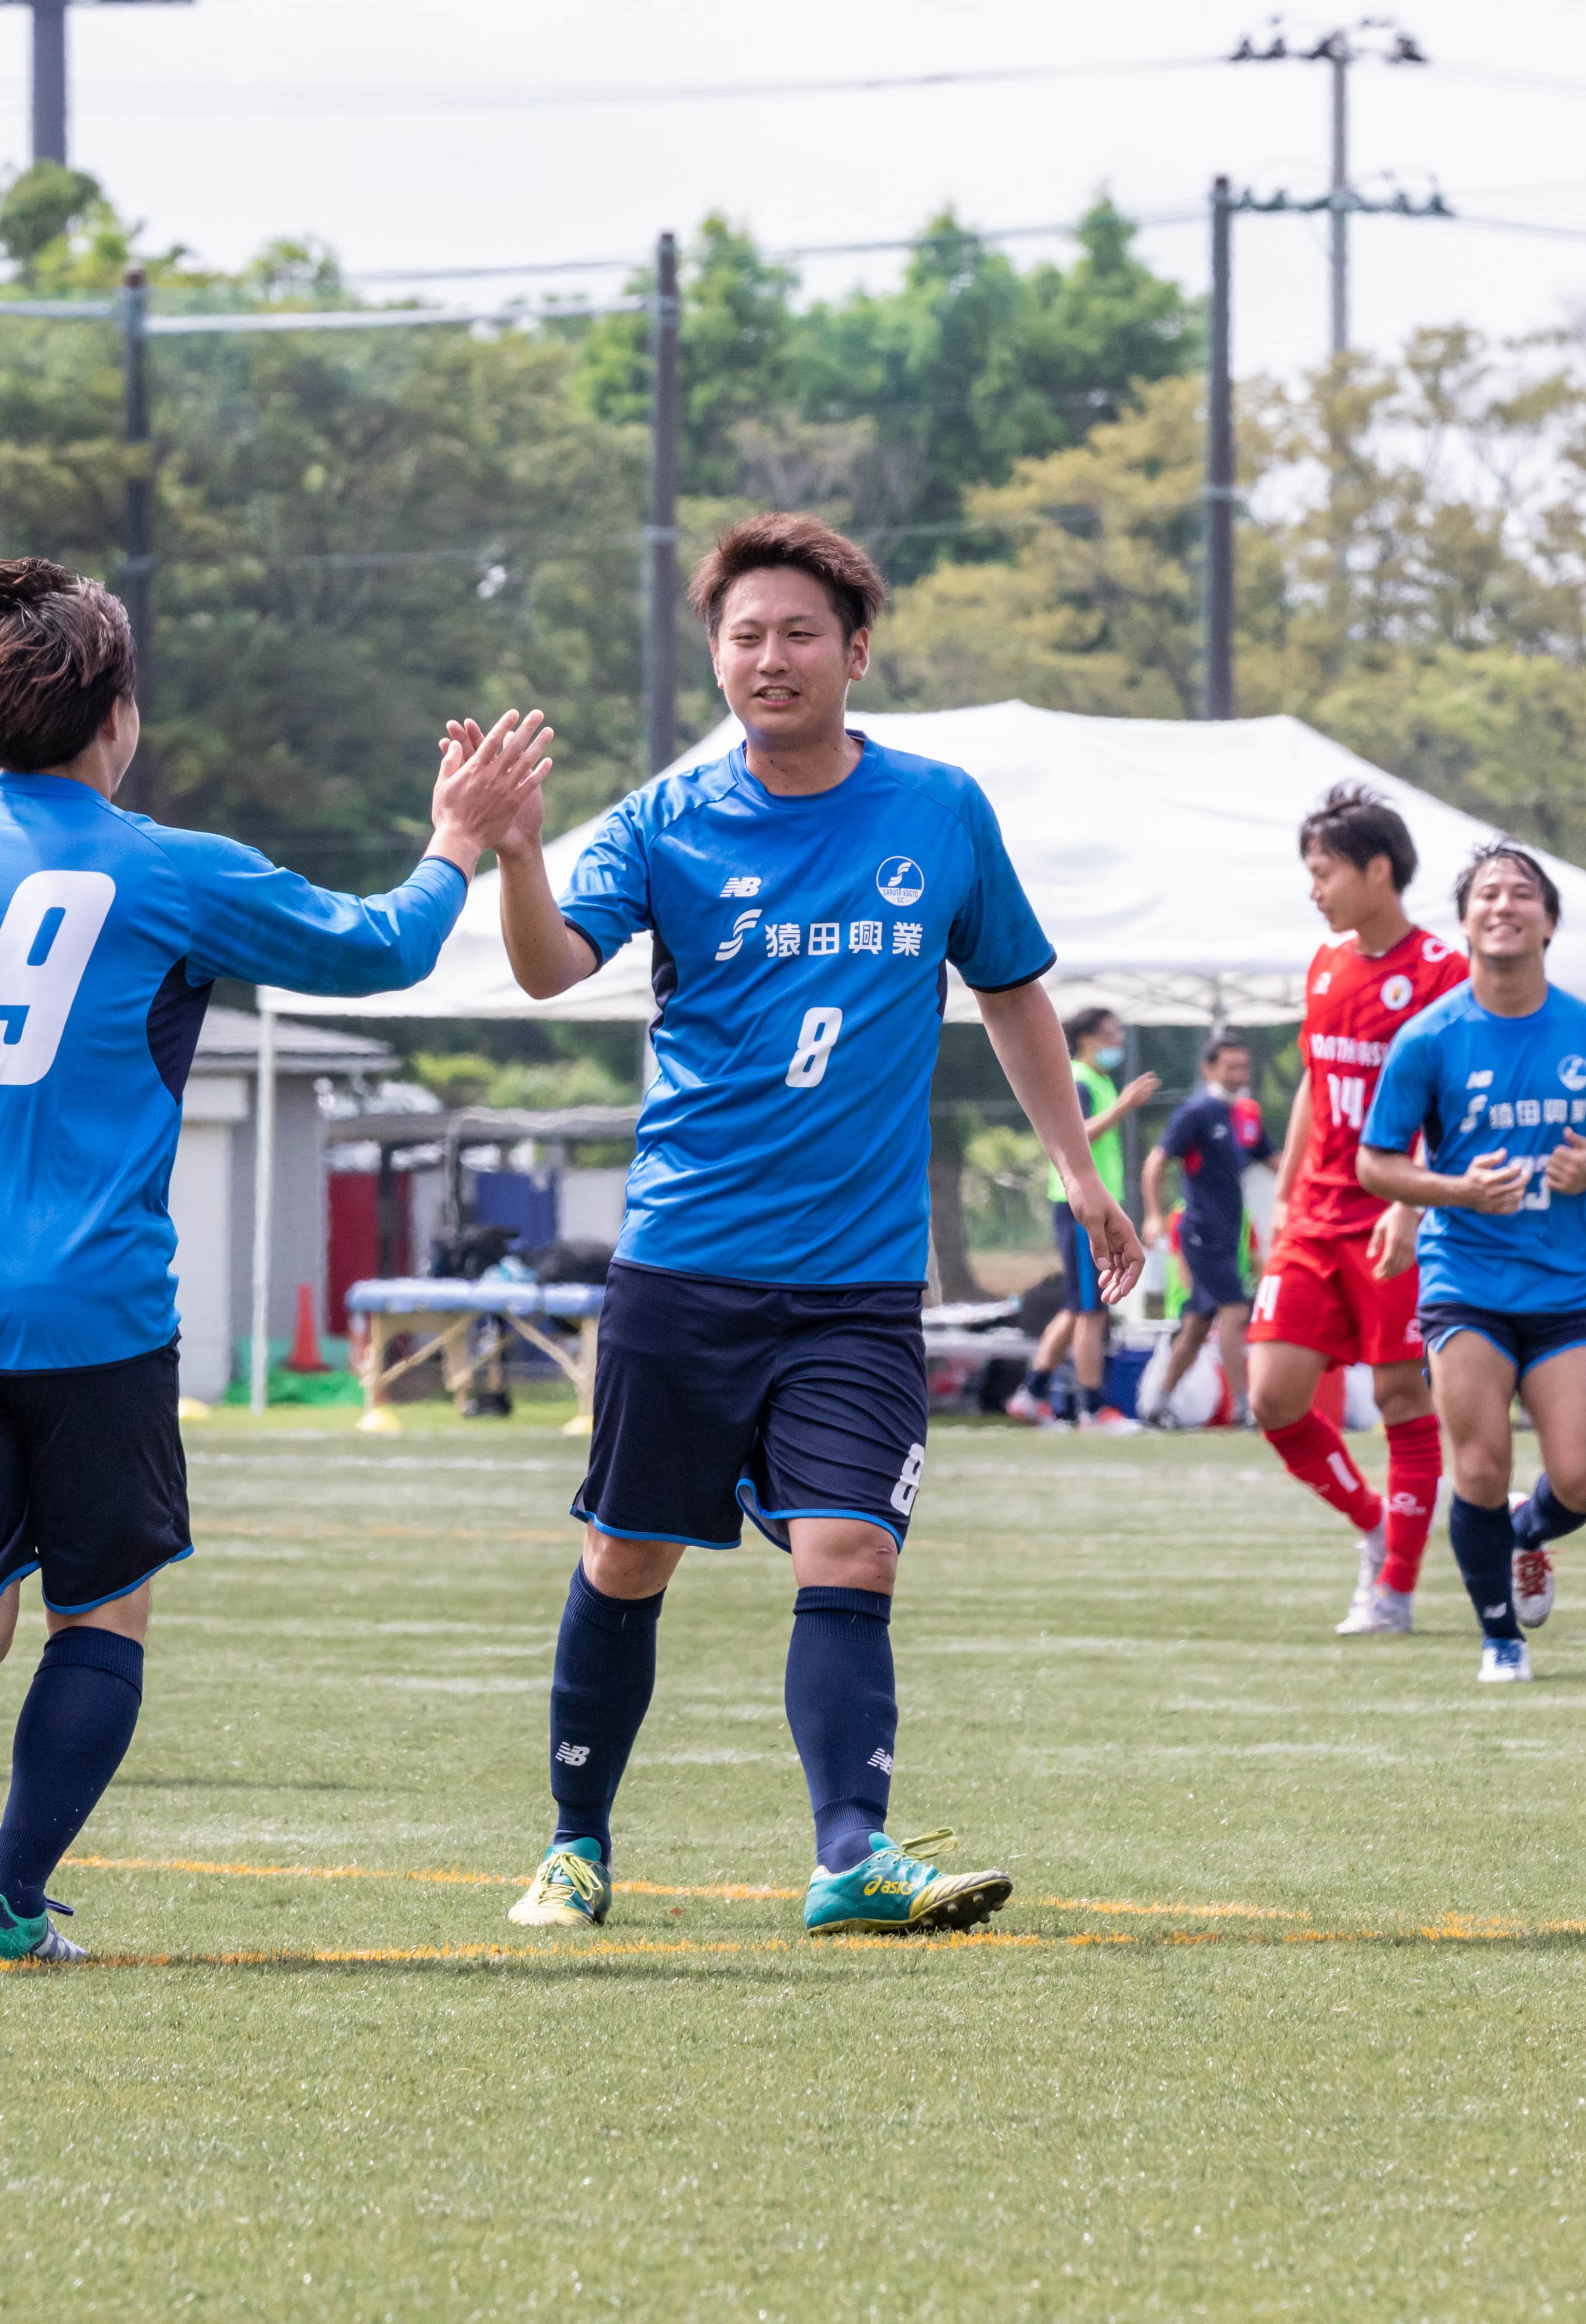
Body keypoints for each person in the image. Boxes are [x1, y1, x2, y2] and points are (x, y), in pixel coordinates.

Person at [0, 557, 550, 1966]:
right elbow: (390, 945)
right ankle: (9, 1906)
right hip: (93, 1310)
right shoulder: (167, 868)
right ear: (117, 717)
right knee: (98, 1615)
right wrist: (461, 836)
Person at [481, 512, 1138, 1938]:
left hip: (855, 1290)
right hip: (685, 1268)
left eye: (797, 633)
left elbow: (1017, 989)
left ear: (854, 652)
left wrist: (1080, 1175)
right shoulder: (665, 822)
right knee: (627, 1560)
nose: (768, 658)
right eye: (743, 635)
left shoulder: (940, 809)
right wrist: (522, 855)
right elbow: (545, 971)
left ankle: (852, 1854)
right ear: (716, 658)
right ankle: (575, 1844)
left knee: (855, 1550)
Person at [1357, 844, 1586, 1683]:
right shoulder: (1429, 1038)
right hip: (1466, 1283)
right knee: (1480, 1463)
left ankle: (1526, 1535)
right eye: (1487, 894)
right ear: (1463, 923)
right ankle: (1501, 1641)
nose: (1504, 905)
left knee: (1584, 1480)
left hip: (1566, 1288)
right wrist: (1455, 1189)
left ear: (1549, 921)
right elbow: (1376, 1164)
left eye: (1522, 894)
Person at [1251, 784, 1469, 1636]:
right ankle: (1375, 1524)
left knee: (1401, 1396)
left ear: (1379, 871)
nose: (1315, 890)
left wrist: (1413, 1206)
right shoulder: (1325, 964)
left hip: (1396, 1216)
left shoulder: (1444, 976)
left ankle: (1396, 1592)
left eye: (1325, 873)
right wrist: (1281, 1194)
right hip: (1313, 1215)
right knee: (1273, 1396)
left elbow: (1453, 1106)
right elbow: (1315, 1077)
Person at [1007, 1007, 1157, 1432]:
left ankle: (1031, 1393)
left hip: (1092, 1208)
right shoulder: (1079, 1080)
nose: (1118, 1043)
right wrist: (1124, 1107)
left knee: (1079, 1308)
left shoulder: (1100, 1080)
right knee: (1094, 1311)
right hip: (1080, 1210)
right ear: (1088, 1038)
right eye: (1111, 1034)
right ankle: (1094, 1409)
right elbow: (1075, 1133)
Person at [1142, 1031, 1272, 1424]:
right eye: (1230, 1066)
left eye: (1243, 1066)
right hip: (1200, 1231)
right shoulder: (1196, 1113)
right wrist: (1152, 1214)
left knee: (1198, 1325)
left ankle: (1157, 1405)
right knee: (1234, 1313)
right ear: (1209, 1068)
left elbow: (1274, 1159)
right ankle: (1246, 1408)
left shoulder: (1246, 1113)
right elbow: (1156, 1162)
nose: (1238, 1073)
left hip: (1231, 1234)